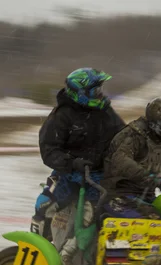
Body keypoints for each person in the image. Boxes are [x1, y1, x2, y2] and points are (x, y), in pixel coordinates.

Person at [30, 67, 126, 238]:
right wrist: (72, 163)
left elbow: (124, 136)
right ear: (80, 92)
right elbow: (49, 150)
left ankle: (88, 255)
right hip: (69, 174)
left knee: (104, 217)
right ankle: (38, 249)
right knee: (43, 205)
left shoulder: (106, 112)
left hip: (98, 176)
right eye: (95, 90)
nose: (99, 94)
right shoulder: (62, 116)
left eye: (100, 89)